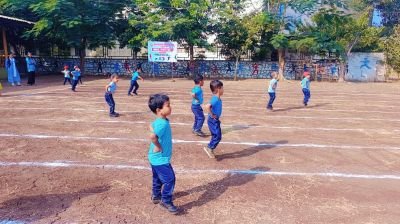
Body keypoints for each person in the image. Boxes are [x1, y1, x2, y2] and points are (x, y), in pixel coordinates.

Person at [148, 94, 178, 214]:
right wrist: (158, 146)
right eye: (168, 106)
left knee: (157, 178)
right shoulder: (162, 123)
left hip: (154, 158)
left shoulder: (161, 120)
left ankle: (156, 196)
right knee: (170, 179)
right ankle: (165, 200)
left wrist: (156, 144)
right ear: (158, 110)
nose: (170, 107)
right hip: (160, 159)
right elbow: (152, 136)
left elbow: (150, 126)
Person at [203, 80, 224, 159]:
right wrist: (212, 115)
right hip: (213, 120)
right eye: (222, 88)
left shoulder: (217, 98)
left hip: (215, 120)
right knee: (218, 136)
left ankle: (210, 148)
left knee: (216, 135)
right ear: (218, 89)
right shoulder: (215, 99)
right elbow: (207, 106)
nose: (223, 90)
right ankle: (209, 148)